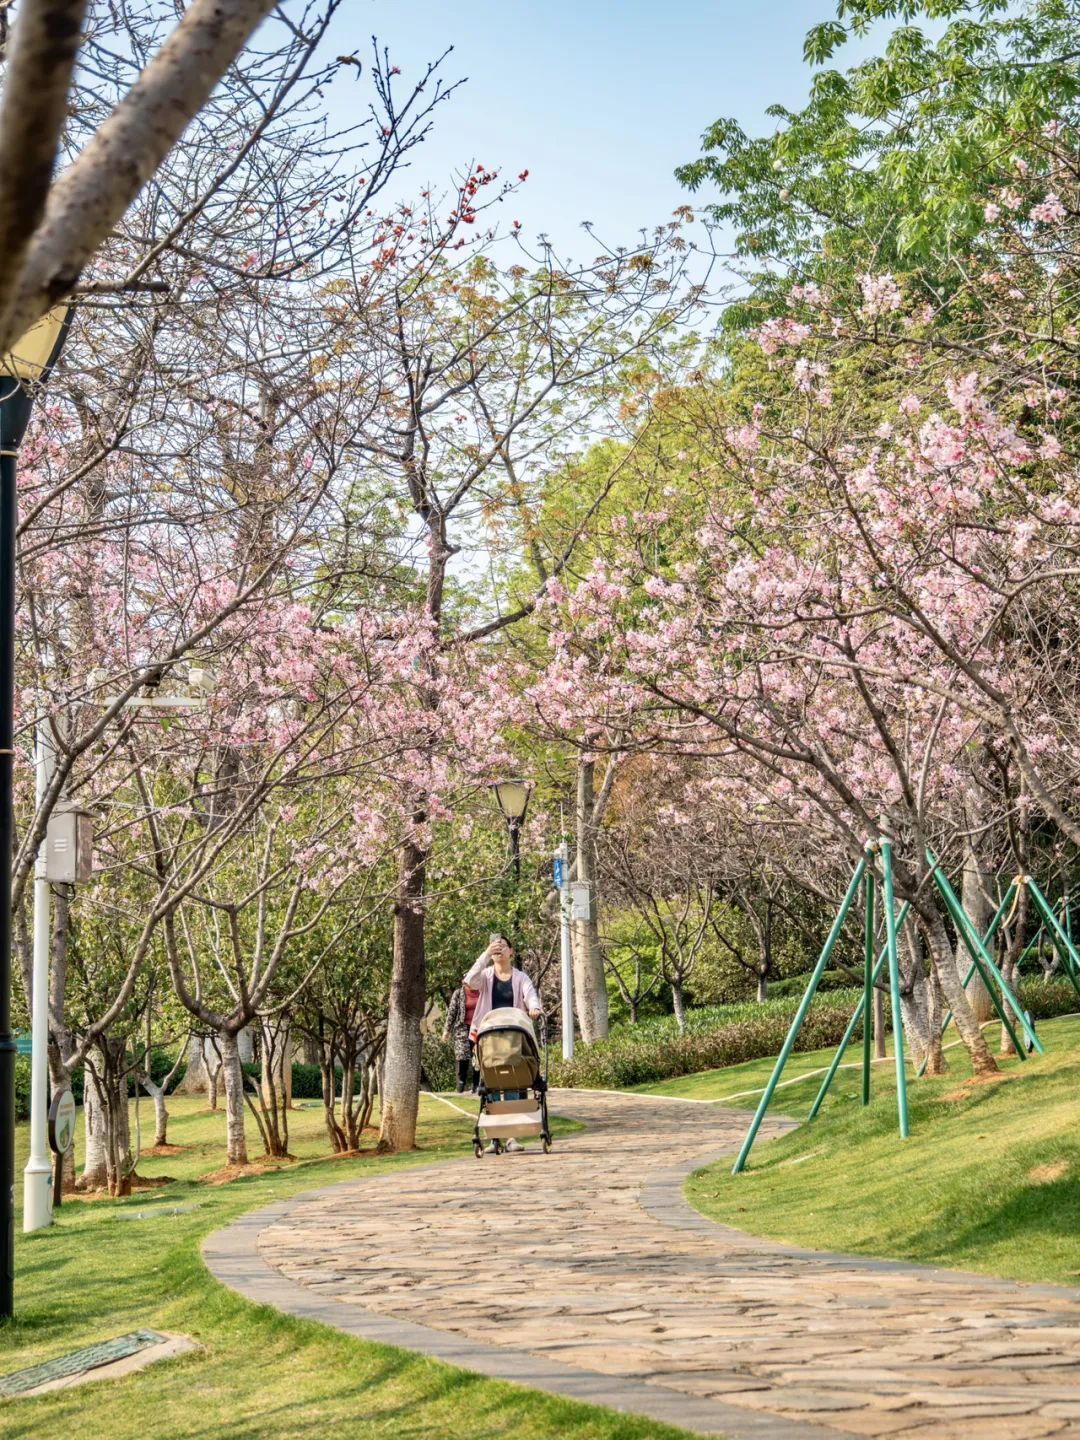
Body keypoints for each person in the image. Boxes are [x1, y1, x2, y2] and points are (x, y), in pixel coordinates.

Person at [465, 935, 542, 1153]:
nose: (499, 950)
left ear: (511, 952)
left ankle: (511, 1137)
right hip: (489, 1035)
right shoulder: (486, 976)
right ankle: (494, 1138)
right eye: (495, 947)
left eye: (503, 947)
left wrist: (534, 1008)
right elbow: (470, 981)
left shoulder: (520, 978)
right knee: (492, 1081)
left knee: (513, 1080)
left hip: (513, 1035)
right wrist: (485, 955)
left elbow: (530, 995)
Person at [442, 982, 480, 1093]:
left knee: (477, 1055)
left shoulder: (482, 992)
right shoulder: (459, 994)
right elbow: (451, 1013)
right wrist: (446, 1031)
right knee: (462, 1054)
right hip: (462, 1027)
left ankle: (476, 1084)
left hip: (478, 1027)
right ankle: (460, 1084)